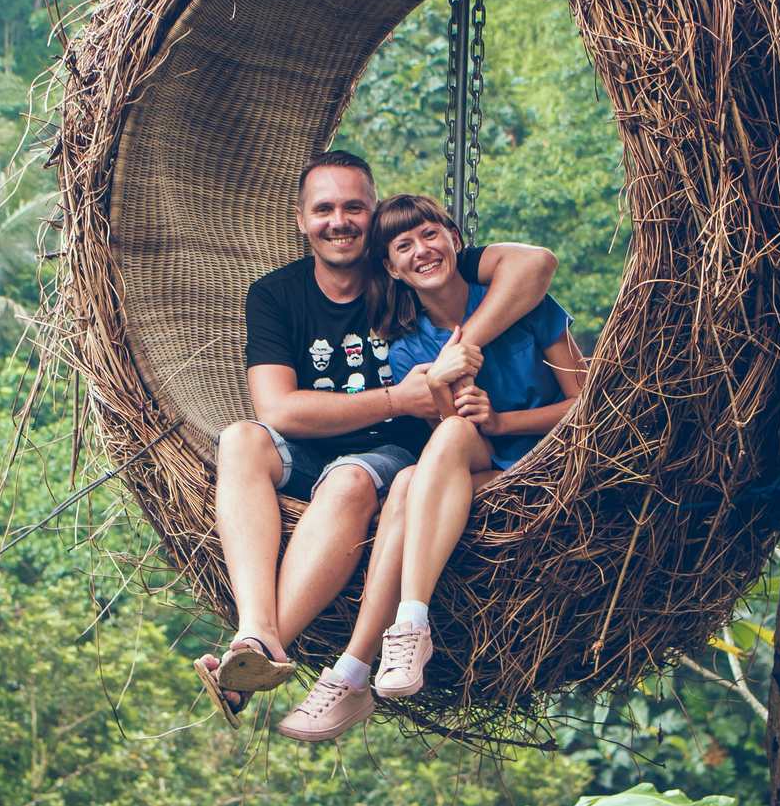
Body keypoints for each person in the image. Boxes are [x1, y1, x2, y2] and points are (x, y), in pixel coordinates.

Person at [197, 152, 558, 724]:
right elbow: (277, 409)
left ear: (373, 214)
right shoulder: (275, 294)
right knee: (240, 437)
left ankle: (260, 654)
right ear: (300, 220)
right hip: (311, 445)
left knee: (348, 481)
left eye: (353, 207)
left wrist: (455, 350)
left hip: (389, 451)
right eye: (324, 210)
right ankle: (255, 633)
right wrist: (397, 397)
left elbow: (535, 264)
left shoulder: (406, 265)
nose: (339, 221)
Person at [275, 193, 586, 742]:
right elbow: (450, 429)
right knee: (411, 478)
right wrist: (444, 380)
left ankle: (399, 630)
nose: (422, 250)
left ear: (455, 240)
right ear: (392, 269)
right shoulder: (405, 347)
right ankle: (360, 667)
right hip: (484, 473)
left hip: (554, 464)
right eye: (403, 245)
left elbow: (587, 403)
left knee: (419, 475)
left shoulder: (523, 302)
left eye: (430, 234)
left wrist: (503, 422)